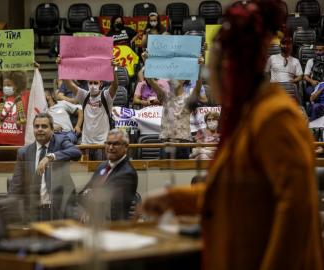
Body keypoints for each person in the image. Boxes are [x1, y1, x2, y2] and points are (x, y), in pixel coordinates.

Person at [143, 0, 324, 269]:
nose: (210, 79)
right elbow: (237, 195)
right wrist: (178, 199)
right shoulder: (247, 116)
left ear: (228, 71)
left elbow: (296, 218)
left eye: (211, 71)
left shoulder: (277, 118)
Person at [9, 113, 81, 221]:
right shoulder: (24, 152)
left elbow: (76, 152)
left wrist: (50, 157)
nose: (40, 129)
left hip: (58, 210)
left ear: (52, 129)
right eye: (36, 126)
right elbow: (16, 184)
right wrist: (10, 210)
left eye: (44, 126)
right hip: (33, 212)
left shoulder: (60, 142)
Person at [144, 55, 204, 159]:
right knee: (162, 174)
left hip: (183, 143)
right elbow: (150, 80)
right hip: (166, 142)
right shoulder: (164, 96)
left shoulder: (189, 98)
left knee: (183, 174)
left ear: (184, 79)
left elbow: (198, 85)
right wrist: (146, 61)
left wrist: (200, 67)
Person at [60, 57, 119, 160]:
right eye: (90, 83)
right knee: (85, 174)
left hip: (102, 144)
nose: (92, 86)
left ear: (101, 84)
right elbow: (69, 84)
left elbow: (115, 86)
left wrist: (113, 69)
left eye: (95, 83)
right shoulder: (84, 96)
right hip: (85, 144)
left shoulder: (106, 96)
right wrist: (61, 66)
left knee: (100, 173)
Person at [77, 129, 138, 221]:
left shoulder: (127, 173)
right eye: (108, 143)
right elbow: (81, 194)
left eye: (115, 144)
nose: (110, 147)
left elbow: (109, 205)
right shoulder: (103, 166)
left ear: (126, 146)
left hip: (114, 227)